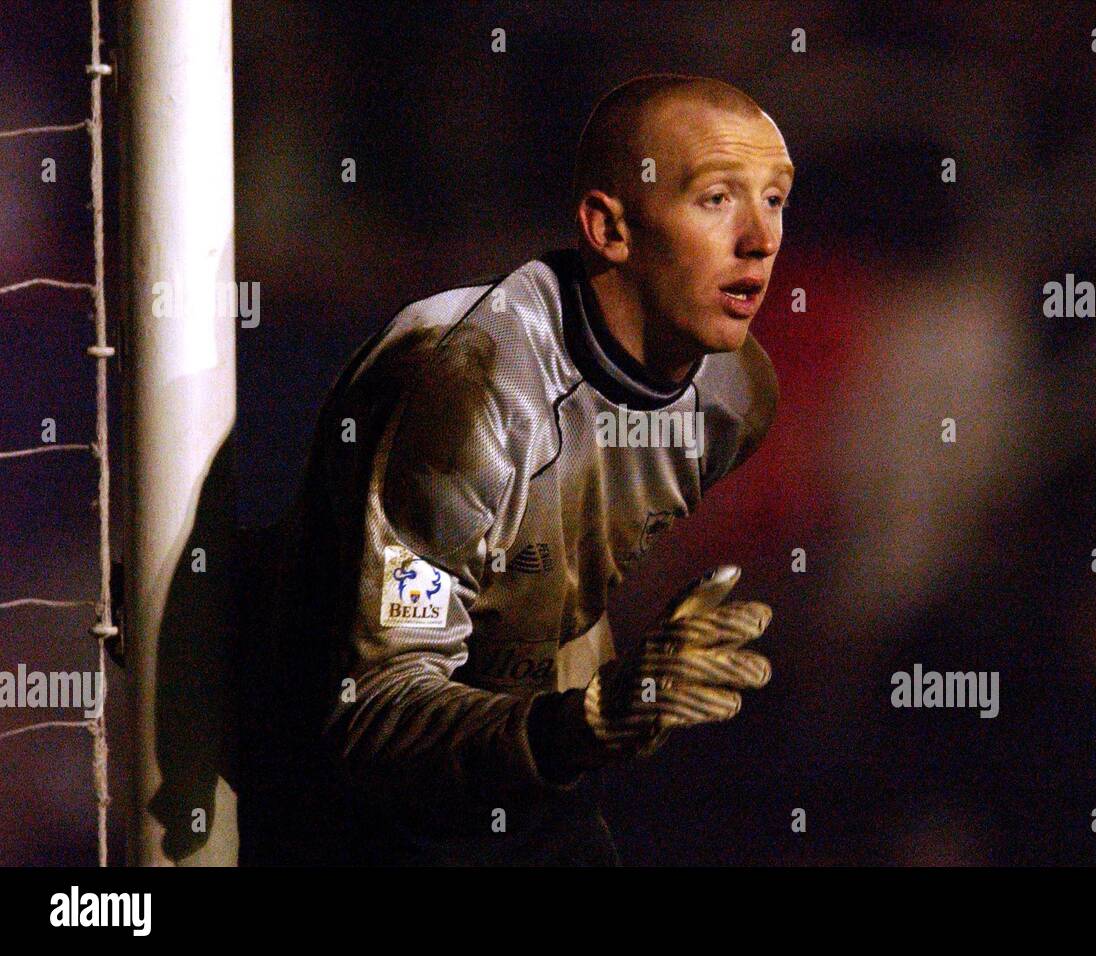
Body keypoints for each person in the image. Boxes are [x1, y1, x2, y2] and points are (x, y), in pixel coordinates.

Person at [235, 73, 794, 865]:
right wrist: (586, 721)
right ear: (608, 228)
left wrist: (605, 697)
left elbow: (559, 575)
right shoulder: (470, 391)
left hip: (515, 769)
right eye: (715, 199)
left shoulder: (737, 398)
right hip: (332, 798)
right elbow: (377, 708)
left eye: (774, 199)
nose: (761, 239)